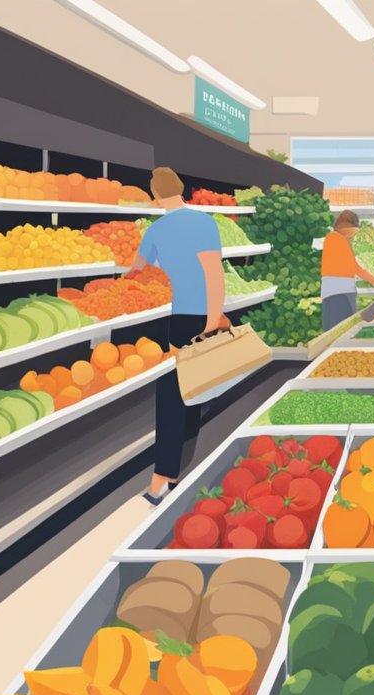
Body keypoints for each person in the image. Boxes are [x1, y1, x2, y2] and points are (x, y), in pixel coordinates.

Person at [128, 167, 227, 505]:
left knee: (170, 397)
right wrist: (214, 317)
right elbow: (214, 273)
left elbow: (137, 273)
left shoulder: (156, 230)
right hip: (201, 315)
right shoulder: (204, 223)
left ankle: (161, 481)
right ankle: (180, 469)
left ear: (155, 194)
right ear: (182, 189)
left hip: (173, 317)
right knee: (194, 391)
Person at [321, 210, 374, 332]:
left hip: (337, 290)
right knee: (342, 328)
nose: (355, 235)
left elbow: (353, 265)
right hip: (340, 291)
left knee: (335, 328)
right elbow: (353, 266)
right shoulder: (335, 238)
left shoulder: (336, 240)